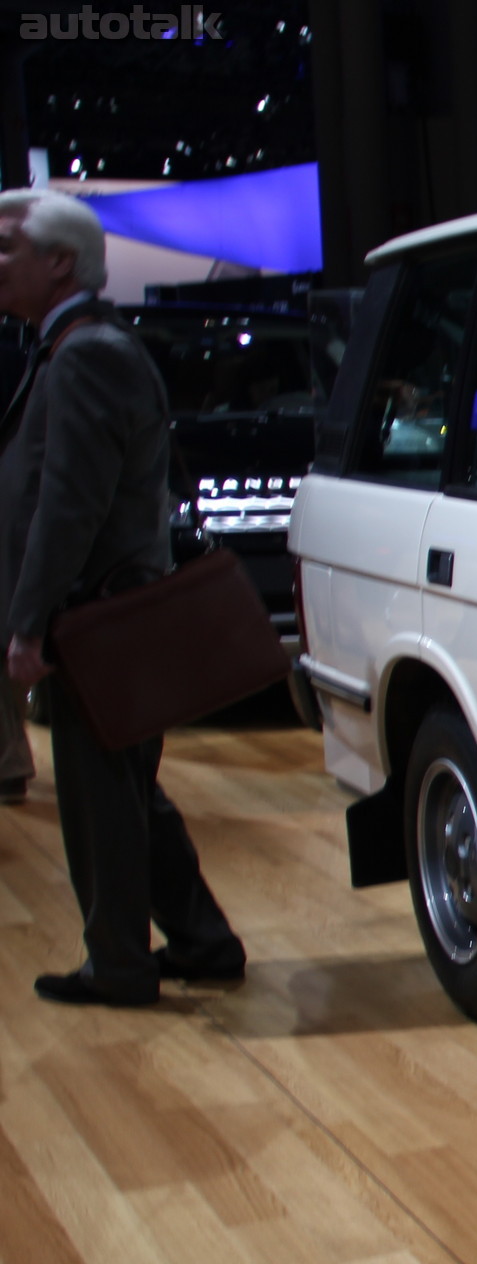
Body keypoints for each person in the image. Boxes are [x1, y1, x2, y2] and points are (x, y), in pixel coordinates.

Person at [0, 189, 244, 1006]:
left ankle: (118, 964)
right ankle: (203, 940)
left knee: (99, 796)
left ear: (59, 261)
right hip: (105, 606)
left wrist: (29, 622)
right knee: (128, 788)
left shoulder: (85, 353)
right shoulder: (78, 345)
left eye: (6, 246)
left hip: (94, 613)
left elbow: (69, 503)